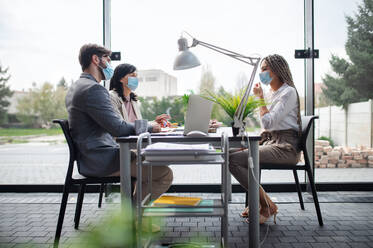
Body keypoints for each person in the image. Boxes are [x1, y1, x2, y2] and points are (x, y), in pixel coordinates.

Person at [65, 44, 173, 200]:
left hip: (89, 158)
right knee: (164, 173)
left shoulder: (75, 87)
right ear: (96, 59)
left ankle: (133, 214)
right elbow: (119, 129)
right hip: (101, 160)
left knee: (151, 160)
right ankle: (132, 216)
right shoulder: (94, 89)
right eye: (107, 59)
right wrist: (150, 128)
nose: (110, 64)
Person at [229, 54, 302, 224]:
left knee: (233, 160)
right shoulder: (271, 93)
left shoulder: (288, 92)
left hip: (285, 148)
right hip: (271, 142)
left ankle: (265, 205)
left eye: (264, 69)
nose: (261, 73)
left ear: (276, 70)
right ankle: (262, 203)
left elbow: (267, 123)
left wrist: (260, 99)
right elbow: (264, 124)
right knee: (230, 153)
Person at [108, 63, 171, 127]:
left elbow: (137, 125)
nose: (136, 79)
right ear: (120, 79)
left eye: (136, 76)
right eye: (132, 75)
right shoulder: (111, 97)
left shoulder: (133, 99)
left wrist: (154, 122)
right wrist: (150, 126)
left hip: (135, 137)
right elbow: (120, 126)